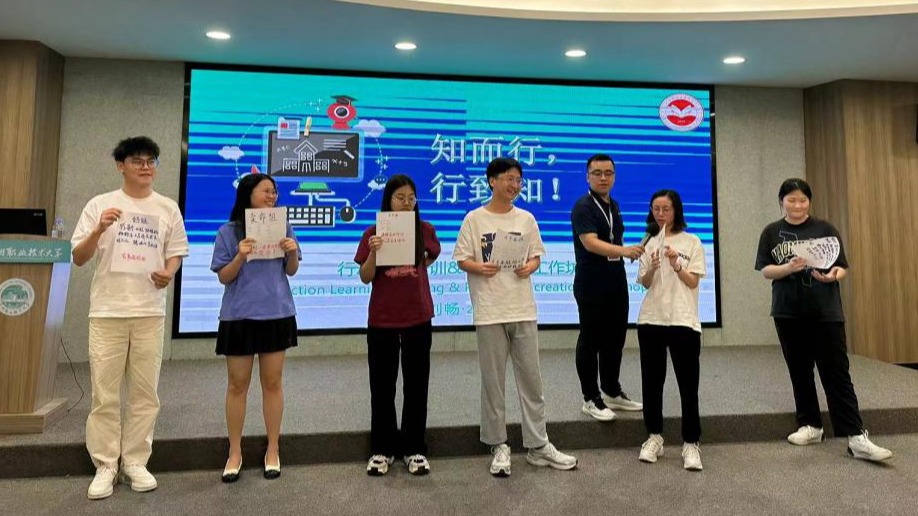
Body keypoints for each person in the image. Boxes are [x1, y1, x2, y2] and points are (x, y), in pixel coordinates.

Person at [71, 136, 189, 499]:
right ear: (120, 166)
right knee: (104, 393)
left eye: (151, 161)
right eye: (138, 161)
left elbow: (176, 252)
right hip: (107, 311)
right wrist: (98, 229)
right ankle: (106, 464)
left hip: (149, 312)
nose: (146, 167)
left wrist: (169, 272)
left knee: (145, 392)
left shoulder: (167, 207)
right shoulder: (100, 204)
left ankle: (135, 461)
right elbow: (79, 257)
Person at [453, 157, 577, 477]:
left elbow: (536, 256)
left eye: (519, 180)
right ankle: (499, 445)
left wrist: (529, 267)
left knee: (531, 380)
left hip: (522, 308)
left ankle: (538, 445)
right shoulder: (474, 219)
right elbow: (462, 259)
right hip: (490, 310)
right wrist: (479, 267)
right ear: (492, 181)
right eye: (509, 178)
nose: (515, 185)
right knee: (493, 383)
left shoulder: (526, 218)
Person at [755, 178, 892, 462]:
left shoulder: (825, 229)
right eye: (791, 200)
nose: (797, 205)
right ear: (781, 201)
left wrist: (831, 276)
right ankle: (811, 425)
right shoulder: (771, 232)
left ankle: (855, 436)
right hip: (788, 312)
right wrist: (788, 267)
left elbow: (841, 267)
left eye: (802, 200)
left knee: (837, 373)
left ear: (809, 201)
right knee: (800, 371)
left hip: (825, 312)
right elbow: (766, 270)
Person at [210, 173, 301, 482]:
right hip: (239, 316)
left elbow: (291, 270)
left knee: (272, 383)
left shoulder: (283, 225)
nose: (272, 196)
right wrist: (240, 255)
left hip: (276, 313)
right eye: (266, 191)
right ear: (248, 194)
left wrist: (291, 251)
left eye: (274, 192)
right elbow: (224, 277)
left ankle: (273, 449)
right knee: (237, 384)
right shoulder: (228, 232)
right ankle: (234, 452)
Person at [354, 174, 441, 476]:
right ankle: (382, 449)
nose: (406, 203)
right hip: (383, 318)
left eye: (411, 198)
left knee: (417, 385)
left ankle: (414, 449)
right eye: (400, 198)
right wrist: (375, 252)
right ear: (388, 200)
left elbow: (429, 258)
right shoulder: (373, 233)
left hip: (418, 316)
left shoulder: (425, 230)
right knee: (382, 386)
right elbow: (365, 277)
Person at [635, 190, 706, 471]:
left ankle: (691, 442)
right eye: (656, 209)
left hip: (683, 320)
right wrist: (652, 267)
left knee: (688, 385)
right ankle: (654, 437)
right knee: (652, 383)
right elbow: (644, 282)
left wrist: (677, 264)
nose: (661, 214)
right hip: (651, 319)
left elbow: (692, 282)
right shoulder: (649, 241)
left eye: (666, 209)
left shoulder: (692, 241)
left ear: (676, 210)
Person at [570, 154, 645, 421]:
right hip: (591, 281)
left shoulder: (614, 205)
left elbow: (613, 238)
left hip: (615, 279)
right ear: (587, 176)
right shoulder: (583, 206)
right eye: (597, 173)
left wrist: (629, 252)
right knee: (591, 339)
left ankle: (611, 390)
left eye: (608, 173)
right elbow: (590, 242)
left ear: (614, 176)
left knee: (615, 338)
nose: (603, 178)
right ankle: (590, 398)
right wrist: (624, 251)